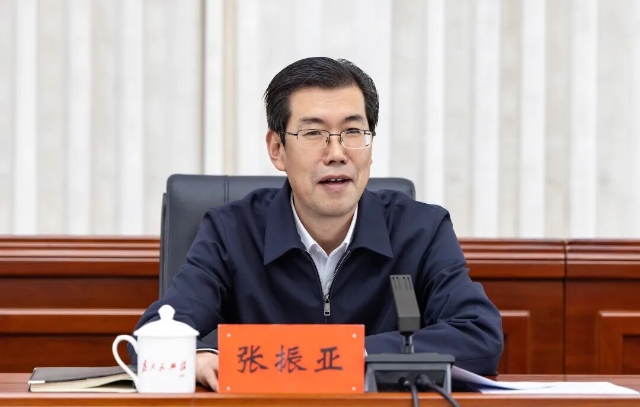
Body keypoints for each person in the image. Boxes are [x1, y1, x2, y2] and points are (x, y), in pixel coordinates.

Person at [130, 57, 503, 391]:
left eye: (353, 132)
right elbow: (151, 337)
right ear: (277, 149)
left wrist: (343, 356)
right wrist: (199, 357)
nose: (337, 153)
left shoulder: (421, 230)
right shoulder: (231, 231)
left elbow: (479, 335)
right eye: (313, 133)